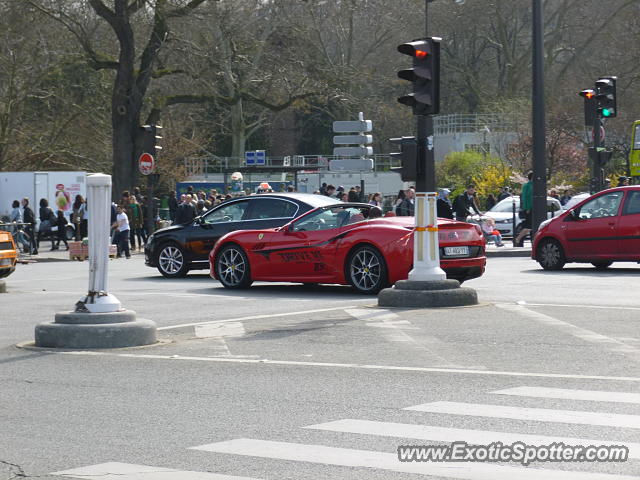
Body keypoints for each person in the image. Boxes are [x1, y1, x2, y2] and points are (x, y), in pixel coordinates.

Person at [514, 172, 533, 247]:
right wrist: (527, 208)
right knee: (529, 227)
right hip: (529, 209)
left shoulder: (532, 185)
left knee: (530, 227)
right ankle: (518, 238)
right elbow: (525, 198)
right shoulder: (527, 186)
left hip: (533, 209)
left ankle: (519, 239)